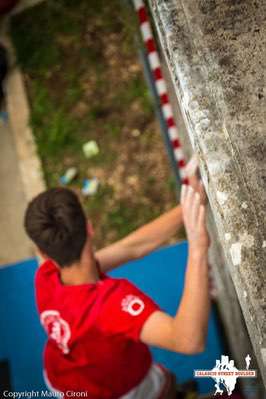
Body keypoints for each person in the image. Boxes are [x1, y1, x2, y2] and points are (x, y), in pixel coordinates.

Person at [24, 173, 210, 399]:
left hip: (63, 378)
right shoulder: (111, 304)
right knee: (163, 388)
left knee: (164, 380)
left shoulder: (46, 276)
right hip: (116, 391)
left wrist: (192, 204)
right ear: (90, 228)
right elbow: (188, 340)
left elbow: (131, 247)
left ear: (44, 252)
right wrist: (198, 249)